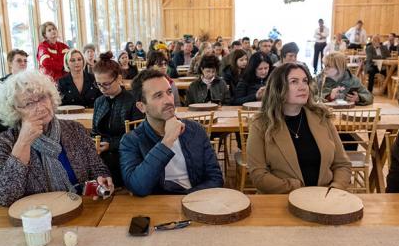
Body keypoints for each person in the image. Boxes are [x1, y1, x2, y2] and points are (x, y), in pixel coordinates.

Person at [0, 72, 113, 206]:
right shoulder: (6, 142)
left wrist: (102, 180)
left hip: (79, 210)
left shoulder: (75, 129)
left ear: (51, 97)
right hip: (35, 219)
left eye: (43, 98)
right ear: (15, 110)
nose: (40, 107)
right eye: (29, 103)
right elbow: (4, 197)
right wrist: (23, 143)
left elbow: (97, 168)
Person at [246, 63, 351, 193]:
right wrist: (297, 189)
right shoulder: (260, 124)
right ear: (278, 88)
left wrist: (335, 188)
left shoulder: (322, 117)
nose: (303, 87)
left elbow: (342, 164)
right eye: (294, 82)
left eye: (305, 81)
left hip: (325, 198)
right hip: (281, 199)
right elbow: (258, 176)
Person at [119, 69, 223, 196]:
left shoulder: (195, 130)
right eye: (158, 95)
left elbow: (216, 178)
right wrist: (167, 141)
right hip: (159, 209)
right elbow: (138, 187)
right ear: (141, 106)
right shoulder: (131, 141)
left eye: (169, 92)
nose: (168, 100)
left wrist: (187, 199)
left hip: (197, 203)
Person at [92, 52, 144, 187]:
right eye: (98, 84)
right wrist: (94, 143)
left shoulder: (133, 101)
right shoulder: (99, 102)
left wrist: (111, 144)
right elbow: (94, 131)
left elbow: (138, 135)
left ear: (119, 79)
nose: (102, 88)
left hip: (126, 156)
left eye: (106, 84)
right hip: (103, 155)